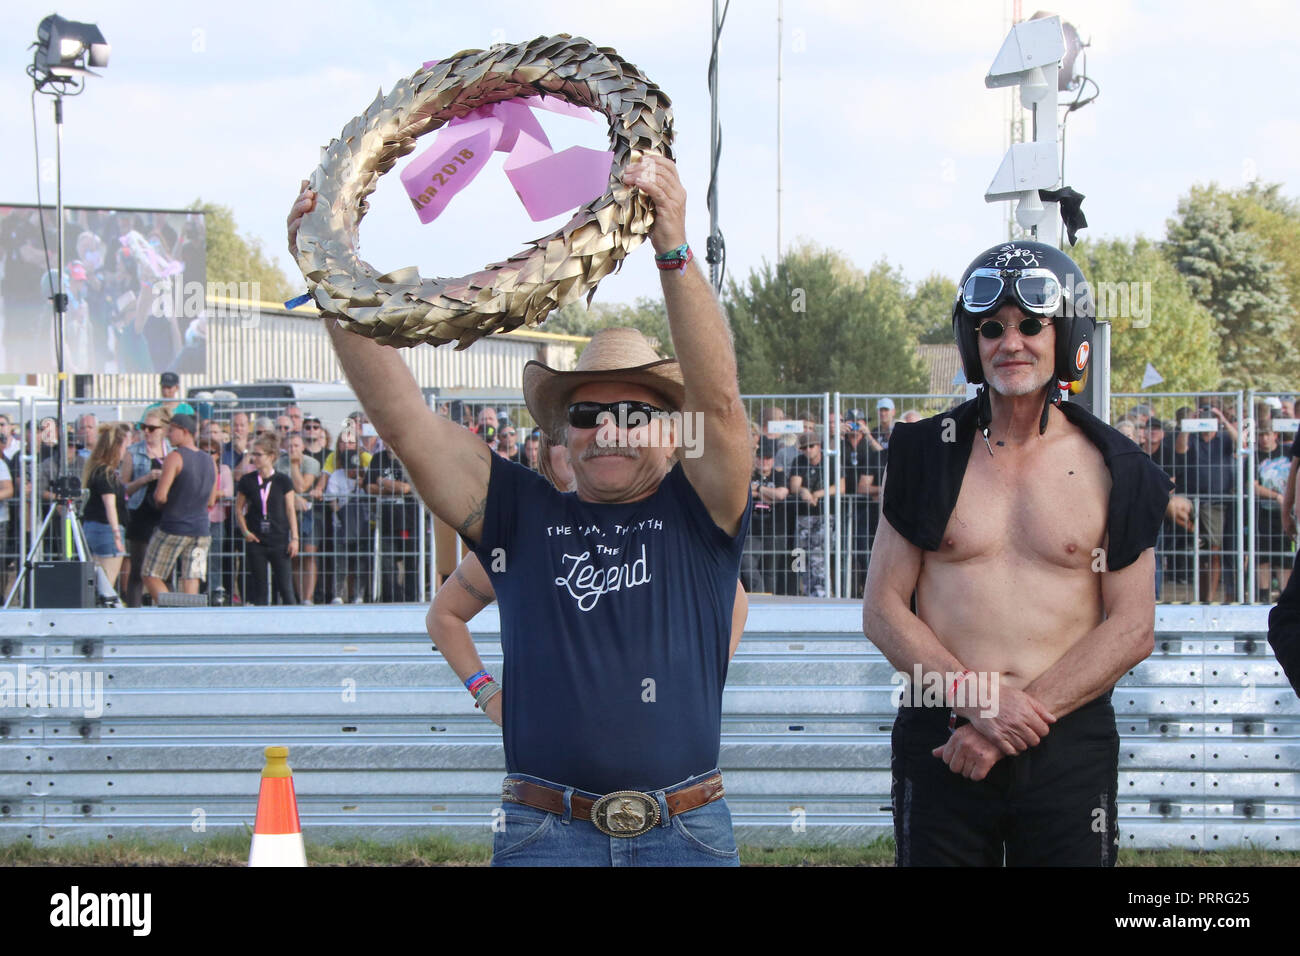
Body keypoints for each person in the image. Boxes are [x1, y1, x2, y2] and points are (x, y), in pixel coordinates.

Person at [289, 151, 753, 867]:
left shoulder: (702, 513)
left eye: (634, 410)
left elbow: (719, 403)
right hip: (546, 834)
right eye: (588, 412)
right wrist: (334, 280)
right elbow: (409, 426)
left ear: (672, 428)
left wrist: (673, 245)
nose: (609, 428)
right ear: (563, 429)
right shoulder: (521, 515)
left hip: (685, 832)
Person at [863, 241, 1171, 867]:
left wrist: (1009, 725)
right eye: (992, 328)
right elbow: (883, 609)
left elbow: (1133, 627)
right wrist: (978, 702)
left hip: (1067, 740)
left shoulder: (1120, 468)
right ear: (970, 343)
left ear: (1067, 336)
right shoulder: (925, 453)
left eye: (1032, 325)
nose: (1012, 342)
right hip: (943, 732)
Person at [142, 413, 218, 602]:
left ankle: (172, 610)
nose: (168, 434)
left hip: (173, 526)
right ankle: (189, 618)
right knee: (191, 577)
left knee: (150, 574)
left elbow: (160, 496)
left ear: (185, 431)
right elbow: (211, 501)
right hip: (201, 530)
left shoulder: (175, 457)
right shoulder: (210, 461)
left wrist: (165, 505)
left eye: (172, 430)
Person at [235, 433, 298, 606]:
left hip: (279, 540)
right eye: (253, 454)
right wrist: (245, 531)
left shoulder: (283, 481)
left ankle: (294, 626)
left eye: (258, 454)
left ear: (271, 457)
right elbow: (238, 509)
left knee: (286, 589)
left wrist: (294, 538)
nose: (254, 458)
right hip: (256, 540)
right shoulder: (247, 480)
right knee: (260, 591)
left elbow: (290, 509)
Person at [119, 408, 171, 606]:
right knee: (138, 567)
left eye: (152, 428)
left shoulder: (172, 452)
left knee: (165, 569)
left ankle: (168, 610)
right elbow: (124, 488)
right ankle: (134, 609)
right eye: (143, 427)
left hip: (164, 513)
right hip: (140, 513)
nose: (147, 432)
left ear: (164, 430)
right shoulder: (133, 452)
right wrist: (145, 479)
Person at [80, 422, 131, 606]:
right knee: (107, 585)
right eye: (125, 446)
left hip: (93, 528)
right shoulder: (107, 473)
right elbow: (110, 505)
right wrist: (117, 534)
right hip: (106, 530)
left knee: (97, 582)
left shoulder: (94, 469)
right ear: (116, 447)